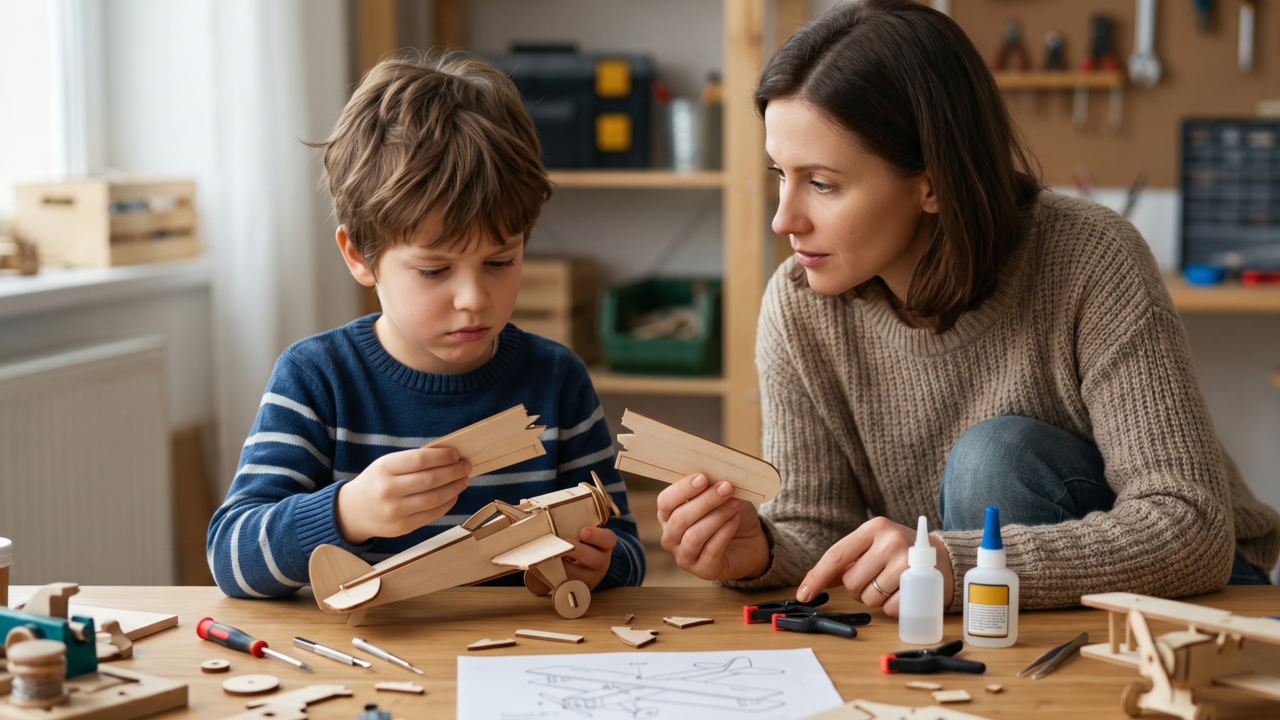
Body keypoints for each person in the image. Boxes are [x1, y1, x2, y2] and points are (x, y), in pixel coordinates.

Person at [655, 0, 1278, 614]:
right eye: (779, 175)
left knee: (994, 460)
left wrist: (964, 563)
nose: (782, 219)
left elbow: (1191, 529)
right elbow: (821, 527)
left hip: (1211, 596)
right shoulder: (799, 306)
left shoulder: (1090, 256)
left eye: (822, 184)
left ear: (931, 181)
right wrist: (760, 550)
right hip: (1003, 614)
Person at [207, 53, 645, 598]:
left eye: (500, 261)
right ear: (359, 256)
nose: (473, 298)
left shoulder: (556, 378)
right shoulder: (317, 377)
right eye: (434, 269)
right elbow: (231, 559)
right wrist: (346, 511)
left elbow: (624, 544)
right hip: (374, 668)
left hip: (521, 662)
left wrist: (603, 564)